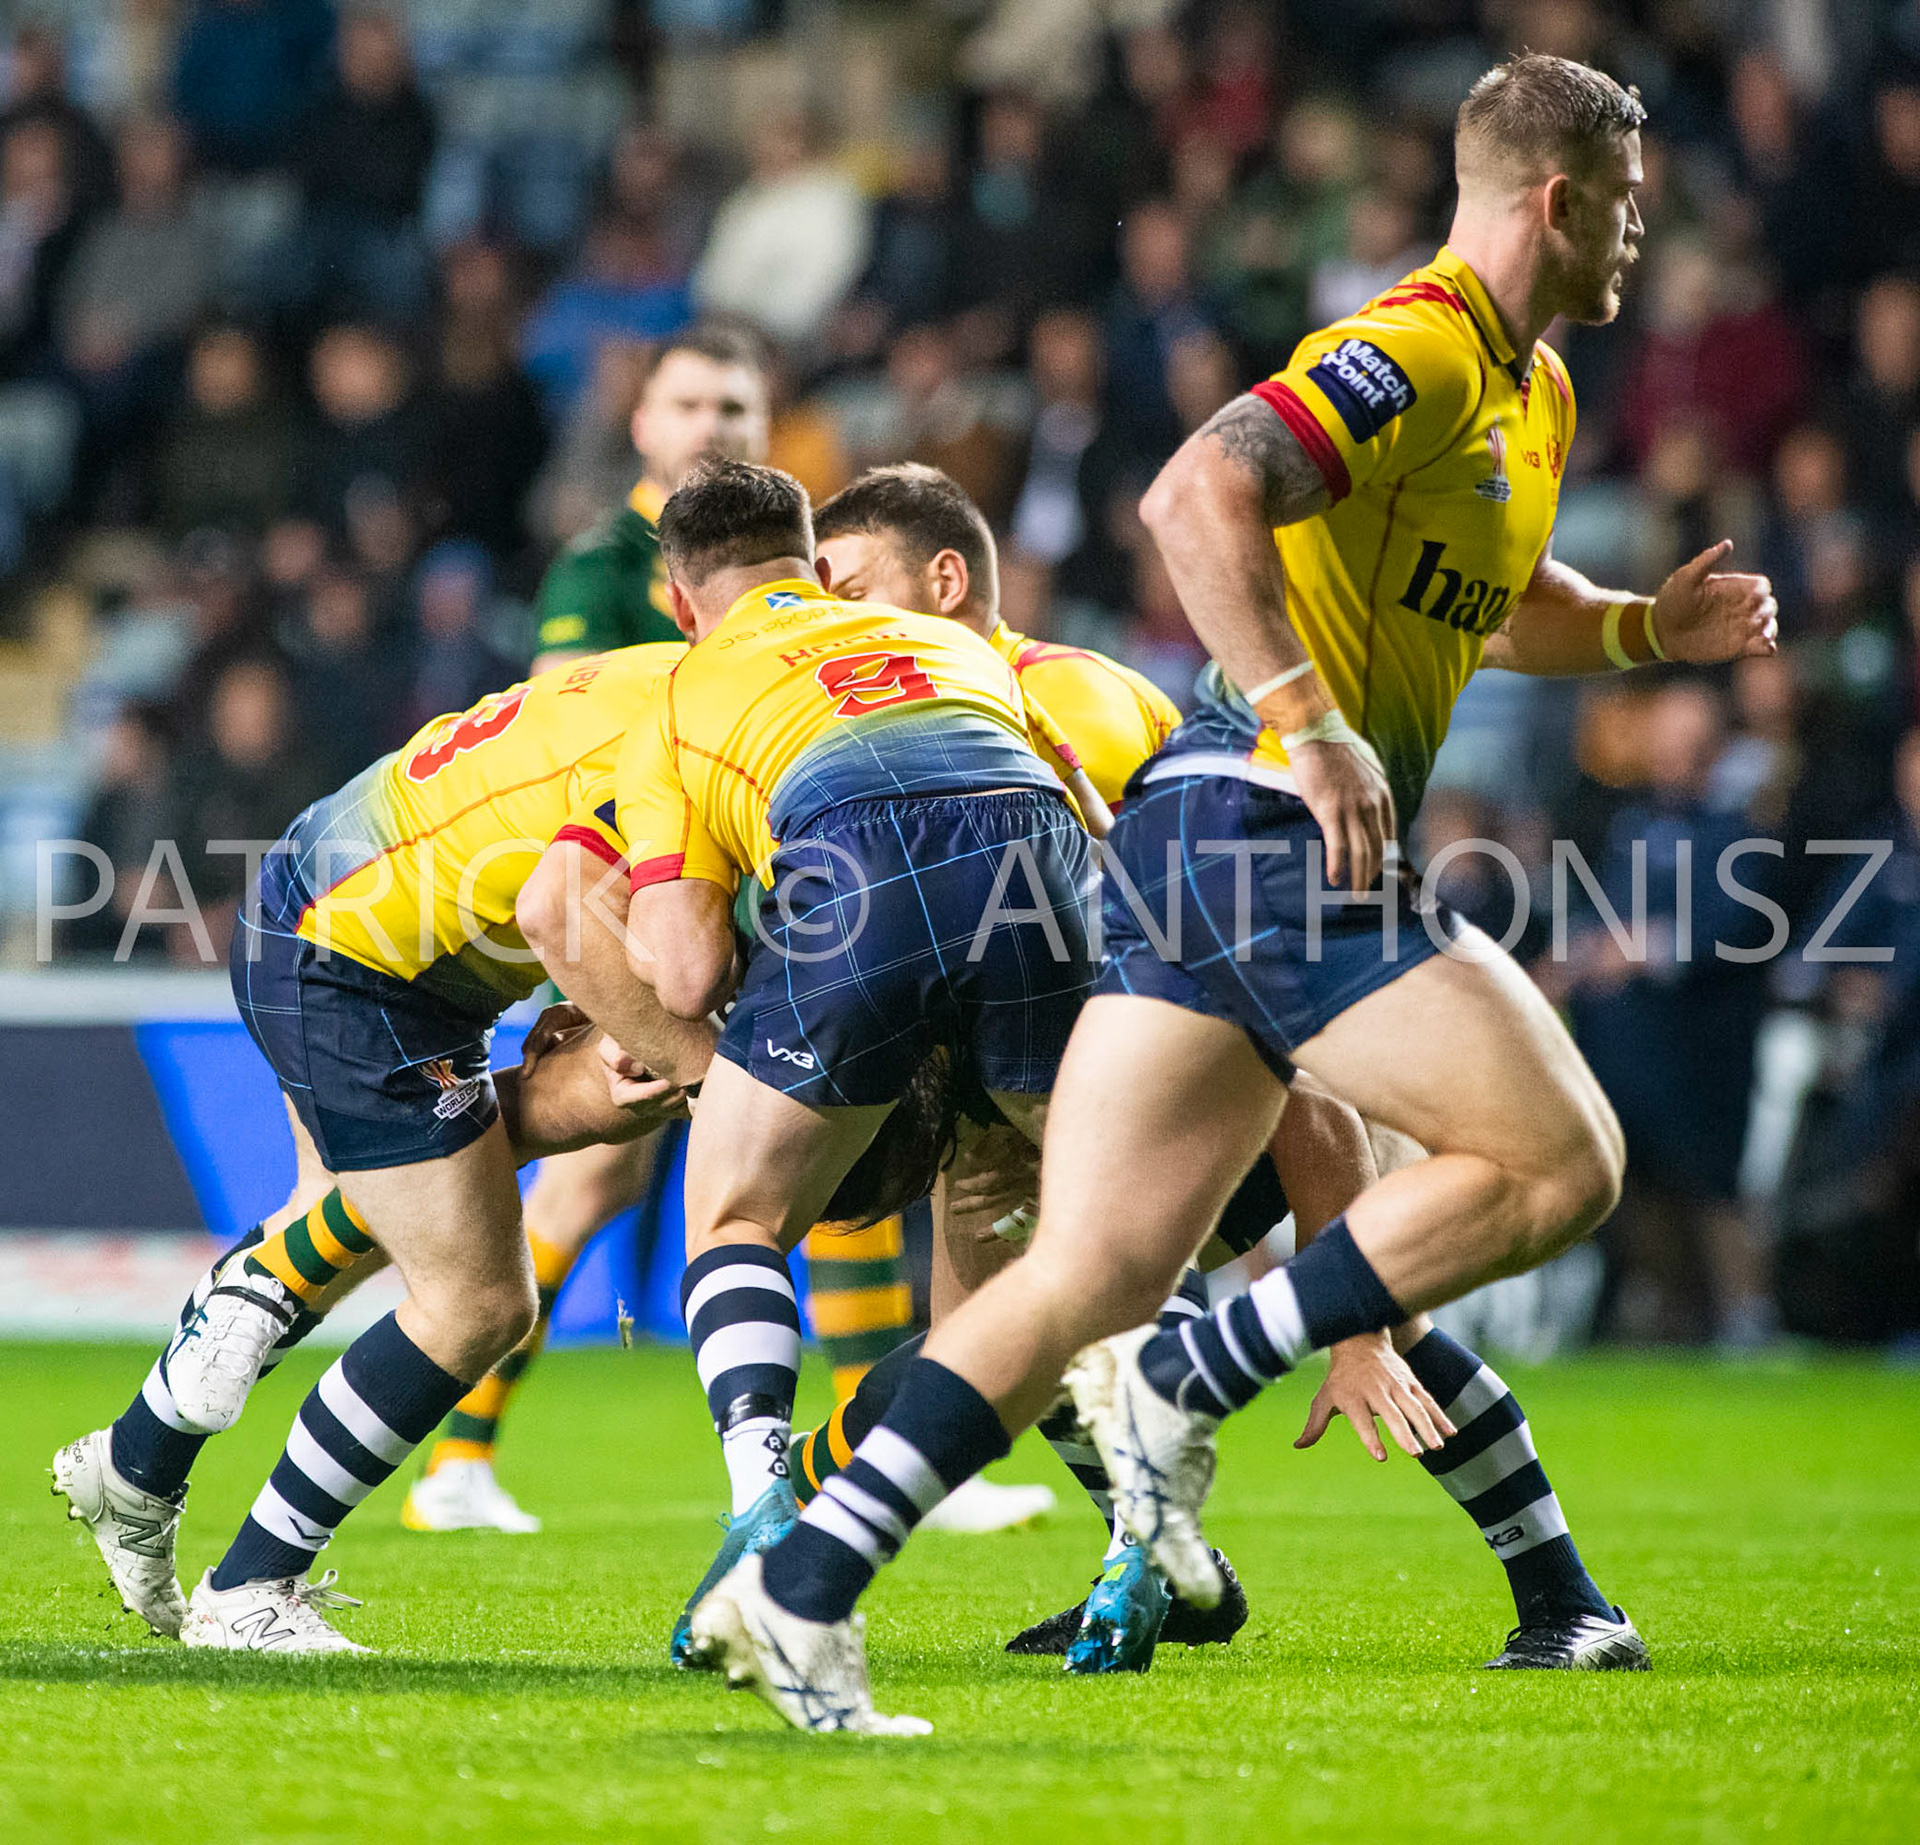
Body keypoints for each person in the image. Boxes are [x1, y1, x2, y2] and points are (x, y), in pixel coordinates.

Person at [692, 53, 1780, 1734]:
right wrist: (1308, 720)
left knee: (1085, 1274)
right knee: (1560, 1160)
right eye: (1632, 205)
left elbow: (1491, 597)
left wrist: (1642, 630)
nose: (1643, 236)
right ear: (1562, 201)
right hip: (1271, 821)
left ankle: (804, 1587)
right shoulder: (1413, 342)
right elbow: (1196, 492)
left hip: (1197, 846)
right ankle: (1198, 1380)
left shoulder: (1536, 395)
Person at [801, 462, 1635, 1677]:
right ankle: (1148, 1563)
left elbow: (1261, 984)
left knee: (1368, 1317)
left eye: (855, 586)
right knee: (1013, 1340)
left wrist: (1354, 1320)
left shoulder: (1064, 704)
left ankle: (1567, 1598)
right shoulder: (874, 732)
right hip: (1058, 1087)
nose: (837, 617)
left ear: (943, 580)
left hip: (1229, 1058)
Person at [53, 644, 712, 1651]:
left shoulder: (661, 675)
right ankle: (249, 1589)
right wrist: (704, 1072)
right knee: (479, 1298)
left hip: (360, 923)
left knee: (392, 1200)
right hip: (357, 958)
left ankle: (138, 1459)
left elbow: (521, 821)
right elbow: (552, 894)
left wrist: (586, 993)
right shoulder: (703, 726)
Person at [605, 459, 1103, 1692]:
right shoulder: (948, 637)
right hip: (1034, 850)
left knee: (733, 1213)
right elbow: (1088, 819)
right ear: (816, 562)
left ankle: (765, 1504)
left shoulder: (676, 693)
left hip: (852, 856)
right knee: (1082, 1230)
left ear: (681, 602)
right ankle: (1153, 1537)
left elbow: (678, 971)